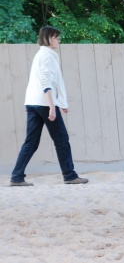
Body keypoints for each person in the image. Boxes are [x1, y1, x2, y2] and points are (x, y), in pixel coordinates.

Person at [10, 26, 88, 186]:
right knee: (62, 140)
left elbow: (51, 82)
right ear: (48, 38)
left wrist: (61, 103)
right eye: (56, 37)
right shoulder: (48, 56)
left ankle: (16, 177)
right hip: (44, 104)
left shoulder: (40, 54)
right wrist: (53, 107)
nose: (59, 40)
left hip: (32, 102)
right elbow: (46, 82)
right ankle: (70, 175)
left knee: (31, 142)